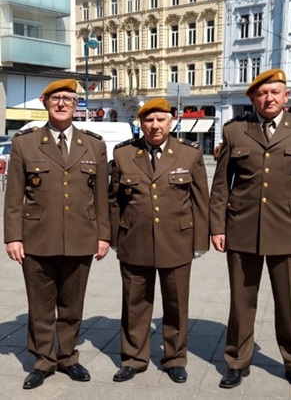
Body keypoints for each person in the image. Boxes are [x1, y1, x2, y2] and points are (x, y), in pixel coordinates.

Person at [209, 69, 291, 393]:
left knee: (289, 303)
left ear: (286, 96)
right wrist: (216, 227)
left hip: (289, 230)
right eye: (263, 93)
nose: (269, 98)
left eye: (276, 92)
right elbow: (221, 185)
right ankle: (236, 362)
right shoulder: (236, 131)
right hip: (242, 229)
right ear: (252, 98)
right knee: (241, 301)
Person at [3, 79, 110, 389]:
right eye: (56, 99)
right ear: (44, 101)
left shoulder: (93, 144)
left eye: (68, 99)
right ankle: (42, 361)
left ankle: (67, 357)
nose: (62, 104)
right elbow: (13, 196)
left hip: (81, 237)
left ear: (76, 105)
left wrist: (103, 236)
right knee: (39, 304)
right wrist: (13, 236)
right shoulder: (25, 143)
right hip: (37, 237)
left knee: (72, 304)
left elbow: (101, 196)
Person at [108, 99, 210, 384]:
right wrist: (114, 237)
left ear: (172, 122)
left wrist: (200, 241)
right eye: (149, 120)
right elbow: (113, 200)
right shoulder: (124, 154)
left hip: (177, 241)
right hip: (134, 240)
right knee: (134, 304)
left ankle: (175, 358)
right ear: (141, 124)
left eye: (160, 120)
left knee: (176, 304)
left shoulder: (189, 154)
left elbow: (201, 200)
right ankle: (133, 358)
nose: (155, 126)